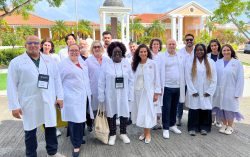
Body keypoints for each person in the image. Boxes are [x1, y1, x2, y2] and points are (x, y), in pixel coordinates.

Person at [7, 35, 65, 157]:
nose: (33, 45)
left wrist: (60, 97)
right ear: (25, 45)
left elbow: (57, 79)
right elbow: (11, 85)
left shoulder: (49, 60)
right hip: (29, 101)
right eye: (30, 43)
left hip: (48, 100)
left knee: (50, 127)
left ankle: (52, 152)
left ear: (40, 45)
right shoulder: (16, 62)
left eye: (36, 43)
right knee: (30, 131)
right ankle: (31, 154)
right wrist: (14, 106)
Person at [59, 44, 93, 157]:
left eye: (76, 50)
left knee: (81, 120)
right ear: (68, 51)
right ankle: (76, 145)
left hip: (83, 97)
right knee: (74, 122)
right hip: (70, 98)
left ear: (79, 51)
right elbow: (58, 82)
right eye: (71, 50)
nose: (74, 52)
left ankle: (78, 139)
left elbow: (86, 78)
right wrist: (59, 97)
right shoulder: (63, 64)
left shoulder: (82, 62)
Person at [98, 41, 134, 146]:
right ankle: (113, 134)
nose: (117, 54)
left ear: (122, 52)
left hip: (124, 93)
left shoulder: (126, 63)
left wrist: (130, 94)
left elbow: (131, 80)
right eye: (115, 52)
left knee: (124, 113)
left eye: (119, 52)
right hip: (110, 94)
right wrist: (101, 96)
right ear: (111, 53)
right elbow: (101, 81)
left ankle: (123, 133)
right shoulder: (106, 64)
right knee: (111, 113)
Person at [131, 44, 161, 144]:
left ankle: (148, 134)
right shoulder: (136, 64)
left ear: (148, 52)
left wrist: (156, 93)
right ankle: (144, 132)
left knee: (147, 113)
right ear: (138, 53)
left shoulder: (153, 63)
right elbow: (133, 79)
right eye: (141, 52)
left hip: (148, 92)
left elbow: (157, 78)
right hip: (138, 93)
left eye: (145, 51)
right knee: (141, 113)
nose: (143, 53)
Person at [185, 43, 217, 136]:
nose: (200, 51)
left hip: (206, 91)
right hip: (194, 91)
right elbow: (188, 77)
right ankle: (192, 128)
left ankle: (204, 128)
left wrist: (210, 91)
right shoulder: (190, 62)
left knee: (205, 109)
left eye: (201, 50)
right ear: (195, 51)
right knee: (194, 109)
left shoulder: (211, 62)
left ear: (205, 51)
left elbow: (214, 78)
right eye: (198, 50)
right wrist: (192, 90)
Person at [157, 39, 185, 139]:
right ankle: (165, 128)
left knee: (175, 107)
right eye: (170, 44)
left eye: (173, 44)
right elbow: (158, 72)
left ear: (175, 45)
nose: (172, 46)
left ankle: (172, 125)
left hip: (178, 86)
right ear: (166, 45)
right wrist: (158, 87)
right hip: (166, 87)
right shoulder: (161, 56)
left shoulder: (180, 56)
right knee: (166, 108)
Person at [213, 44, 244, 135]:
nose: (226, 52)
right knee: (221, 107)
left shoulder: (237, 63)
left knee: (229, 109)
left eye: (228, 50)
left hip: (231, 90)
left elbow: (240, 79)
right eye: (224, 50)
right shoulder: (217, 62)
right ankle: (224, 124)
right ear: (221, 52)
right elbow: (214, 77)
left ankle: (230, 126)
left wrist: (238, 92)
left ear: (231, 51)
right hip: (219, 89)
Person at [41, 38, 64, 137]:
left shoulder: (55, 57)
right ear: (42, 45)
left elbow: (58, 71)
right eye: (45, 45)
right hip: (42, 86)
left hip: (54, 85)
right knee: (44, 109)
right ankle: (47, 128)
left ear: (51, 47)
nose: (47, 47)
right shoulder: (39, 57)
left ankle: (54, 127)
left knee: (54, 108)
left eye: (49, 45)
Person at [85, 41, 110, 132]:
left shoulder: (107, 60)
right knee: (94, 109)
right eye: (95, 47)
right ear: (92, 49)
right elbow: (86, 77)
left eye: (98, 46)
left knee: (106, 109)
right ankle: (95, 127)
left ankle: (105, 128)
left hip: (106, 89)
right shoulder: (88, 61)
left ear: (101, 48)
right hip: (93, 89)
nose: (97, 48)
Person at [176, 34, 195, 126]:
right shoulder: (180, 52)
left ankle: (192, 119)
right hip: (183, 80)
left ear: (193, 40)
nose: (189, 41)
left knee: (193, 100)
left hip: (194, 81)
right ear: (185, 41)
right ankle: (178, 118)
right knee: (180, 100)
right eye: (187, 40)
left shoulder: (197, 51)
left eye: (191, 39)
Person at [207, 39, 222, 127]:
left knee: (219, 102)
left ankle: (219, 120)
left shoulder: (222, 55)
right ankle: (212, 119)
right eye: (212, 46)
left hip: (220, 82)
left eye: (215, 45)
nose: (213, 47)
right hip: (210, 81)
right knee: (211, 101)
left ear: (218, 46)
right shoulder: (207, 56)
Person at [149, 38, 163, 130]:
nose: (156, 45)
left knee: (159, 103)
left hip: (160, 82)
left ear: (160, 46)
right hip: (151, 83)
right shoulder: (149, 56)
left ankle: (158, 121)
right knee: (152, 102)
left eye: (157, 44)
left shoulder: (162, 56)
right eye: (154, 44)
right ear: (151, 45)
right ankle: (152, 121)